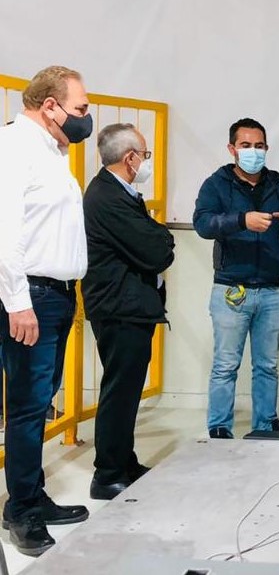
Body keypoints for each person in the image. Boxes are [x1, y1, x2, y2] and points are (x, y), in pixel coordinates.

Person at [0, 65, 92, 556]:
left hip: (56, 294)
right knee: (27, 407)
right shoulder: (14, 148)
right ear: (50, 106)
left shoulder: (51, 152)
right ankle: (22, 512)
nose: (85, 118)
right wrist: (18, 303)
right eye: (80, 108)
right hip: (31, 296)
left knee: (39, 402)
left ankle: (31, 496)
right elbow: (5, 235)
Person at [193, 118, 279, 439]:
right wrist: (241, 220)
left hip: (272, 291)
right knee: (225, 365)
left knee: (267, 365)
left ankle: (265, 424)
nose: (253, 152)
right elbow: (203, 224)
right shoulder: (216, 184)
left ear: (267, 148)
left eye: (259, 146)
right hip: (232, 289)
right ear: (232, 149)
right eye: (246, 146)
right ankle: (219, 426)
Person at [82, 123, 175, 500]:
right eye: (145, 155)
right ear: (130, 158)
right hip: (119, 307)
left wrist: (158, 238)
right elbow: (158, 250)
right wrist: (161, 239)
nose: (146, 162)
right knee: (119, 390)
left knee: (127, 390)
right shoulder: (107, 197)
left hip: (128, 305)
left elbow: (154, 241)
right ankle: (107, 473)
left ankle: (124, 460)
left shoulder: (121, 193)